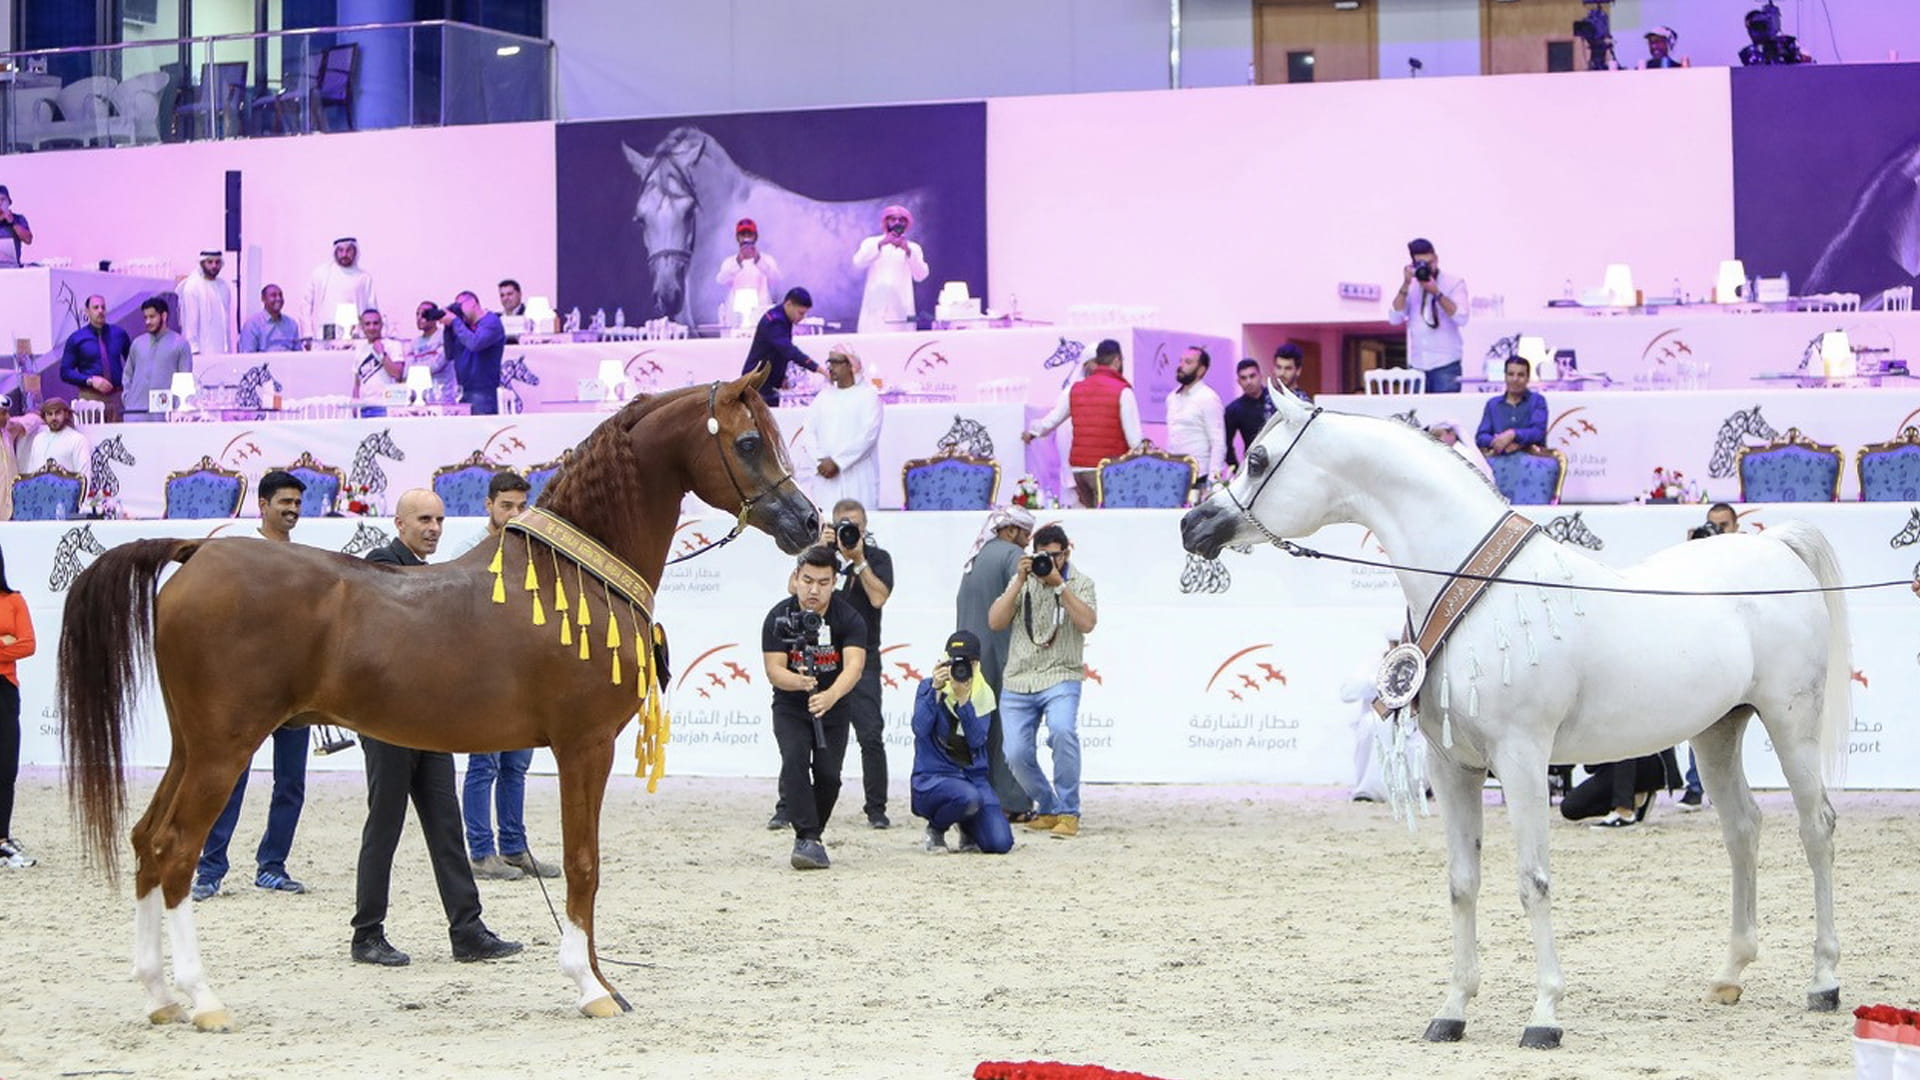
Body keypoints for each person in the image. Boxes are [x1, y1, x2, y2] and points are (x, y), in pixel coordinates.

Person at [352, 489, 522, 967]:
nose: (433, 529)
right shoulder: (382, 565)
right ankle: (366, 934)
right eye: (424, 519)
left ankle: (467, 929)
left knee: (447, 827)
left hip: (428, 722)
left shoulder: (430, 573)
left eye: (440, 520)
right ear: (400, 523)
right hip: (386, 722)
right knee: (384, 825)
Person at [192, 471, 314, 901]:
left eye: (297, 503)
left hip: (296, 689)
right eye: (285, 502)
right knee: (232, 776)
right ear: (263, 505)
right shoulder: (242, 559)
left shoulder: (304, 561)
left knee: (291, 782)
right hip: (250, 691)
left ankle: (272, 865)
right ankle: (211, 868)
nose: (293, 510)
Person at [769, 501, 893, 830]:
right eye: (841, 527)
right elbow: (793, 590)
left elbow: (879, 598)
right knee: (796, 741)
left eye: (855, 528)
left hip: (860, 653)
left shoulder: (877, 558)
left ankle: (876, 808)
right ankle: (787, 807)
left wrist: (859, 561)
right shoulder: (820, 559)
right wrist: (820, 548)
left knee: (870, 732)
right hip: (811, 649)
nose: (848, 533)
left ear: (865, 528)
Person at [462, 472, 560, 881]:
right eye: (507, 506)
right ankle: (481, 851)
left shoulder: (531, 551)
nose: (515, 514)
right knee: (484, 765)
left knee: (516, 766)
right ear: (489, 505)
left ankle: (514, 847)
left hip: (522, 674)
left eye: (522, 506)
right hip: (484, 674)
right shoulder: (469, 551)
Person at [761, 545, 868, 870]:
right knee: (794, 760)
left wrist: (830, 695)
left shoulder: (848, 617)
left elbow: (854, 666)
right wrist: (800, 682)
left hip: (833, 706)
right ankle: (806, 837)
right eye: (807, 580)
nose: (813, 590)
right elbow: (774, 670)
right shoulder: (778, 616)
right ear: (796, 578)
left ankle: (812, 837)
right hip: (790, 705)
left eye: (823, 582)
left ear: (834, 582)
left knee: (829, 775)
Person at [988, 523, 1098, 838]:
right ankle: (1049, 807)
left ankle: (1069, 811)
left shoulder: (1081, 582)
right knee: (1015, 753)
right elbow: (995, 621)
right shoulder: (1022, 581)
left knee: (1062, 732)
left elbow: (1087, 623)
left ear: (1067, 553)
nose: (1050, 563)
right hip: (1019, 678)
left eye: (1056, 556)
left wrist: (1060, 585)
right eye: (1043, 557)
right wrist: (1019, 581)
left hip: (1062, 674)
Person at [954, 507, 1036, 820]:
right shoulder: (1013, 556)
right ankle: (1013, 803)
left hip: (969, 658)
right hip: (1002, 655)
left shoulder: (975, 557)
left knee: (977, 731)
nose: (1027, 541)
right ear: (1011, 530)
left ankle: (978, 798)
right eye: (1025, 534)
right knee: (1010, 729)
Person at [911, 631, 1015, 856]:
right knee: (967, 797)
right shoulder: (928, 687)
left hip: (973, 778)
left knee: (1000, 843)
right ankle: (936, 829)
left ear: (976, 664)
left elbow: (977, 740)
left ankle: (968, 824)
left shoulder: (983, 695)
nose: (960, 669)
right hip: (934, 777)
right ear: (945, 660)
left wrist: (964, 701)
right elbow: (920, 729)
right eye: (954, 662)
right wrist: (936, 691)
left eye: (966, 663)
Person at [1022, 339, 1143, 508]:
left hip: (1079, 470)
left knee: (1090, 515)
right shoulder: (1123, 391)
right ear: (1117, 360)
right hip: (1108, 469)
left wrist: (1033, 433)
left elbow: (1052, 419)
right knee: (1110, 518)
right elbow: (1134, 441)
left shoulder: (1075, 389)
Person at [803, 346, 883, 510]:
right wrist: (820, 461)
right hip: (825, 477)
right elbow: (808, 432)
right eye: (829, 362)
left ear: (850, 365)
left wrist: (838, 462)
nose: (830, 367)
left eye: (836, 362)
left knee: (858, 521)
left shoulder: (868, 396)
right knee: (826, 522)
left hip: (857, 476)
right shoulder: (823, 397)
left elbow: (868, 436)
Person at [1387, 238, 1470, 393]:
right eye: (1421, 264)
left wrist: (1436, 293)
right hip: (1417, 365)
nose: (1427, 268)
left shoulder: (1454, 283)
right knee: (1416, 409)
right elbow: (1394, 318)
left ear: (1436, 259)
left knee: (1445, 408)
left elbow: (1462, 317)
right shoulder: (1411, 285)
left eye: (1430, 263)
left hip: (1446, 364)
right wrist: (1405, 284)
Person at [0, 545, 36, 867]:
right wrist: (4, 642)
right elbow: (15, 644)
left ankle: (2, 838)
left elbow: (28, 644)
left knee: (6, 766)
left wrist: (13, 644)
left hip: (5, 690)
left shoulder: (14, 601)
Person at [852, 204, 929, 333]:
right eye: (893, 219)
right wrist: (882, 243)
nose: (897, 223)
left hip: (901, 310)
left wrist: (908, 251)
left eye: (901, 220)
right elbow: (858, 262)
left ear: (906, 224)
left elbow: (921, 275)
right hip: (875, 309)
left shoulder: (913, 248)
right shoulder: (872, 243)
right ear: (886, 221)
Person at [741, 287, 821, 407]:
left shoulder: (783, 318)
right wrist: (818, 368)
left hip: (766, 382)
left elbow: (777, 352)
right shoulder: (774, 322)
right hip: (757, 383)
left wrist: (781, 377)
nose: (802, 318)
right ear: (789, 304)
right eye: (800, 313)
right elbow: (789, 350)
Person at [1561, 750, 1682, 829]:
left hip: (1649, 759)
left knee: (1625, 738)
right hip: (1618, 765)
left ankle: (1624, 811)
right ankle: (1637, 798)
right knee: (1570, 807)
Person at [122, 296, 193, 422]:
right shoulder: (137, 343)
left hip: (165, 416)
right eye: (145, 317)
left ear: (164, 316)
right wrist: (128, 398)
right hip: (135, 413)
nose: (148, 322)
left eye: (152, 317)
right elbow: (127, 375)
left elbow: (185, 381)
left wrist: (178, 410)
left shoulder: (180, 344)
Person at [58, 294, 130, 418]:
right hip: (90, 398)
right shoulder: (76, 338)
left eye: (103, 307)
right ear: (87, 311)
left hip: (117, 397)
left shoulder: (119, 334)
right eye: (96, 307)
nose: (100, 311)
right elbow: (65, 372)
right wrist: (90, 380)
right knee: (91, 430)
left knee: (120, 430)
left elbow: (132, 362)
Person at [1164, 346, 1225, 490]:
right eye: (1180, 361)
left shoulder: (1208, 398)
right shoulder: (1172, 398)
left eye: (1188, 362)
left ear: (1201, 370)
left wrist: (1213, 481)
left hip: (1200, 477)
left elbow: (1218, 442)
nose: (1181, 366)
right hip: (1174, 476)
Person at [444, 291, 506, 415]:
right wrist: (448, 327)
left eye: (459, 305)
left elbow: (475, 343)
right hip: (463, 391)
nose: (458, 310)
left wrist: (455, 321)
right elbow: (449, 354)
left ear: (472, 303)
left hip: (483, 393)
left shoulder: (491, 322)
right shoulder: (462, 326)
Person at [304, 236, 379, 340]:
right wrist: (307, 333)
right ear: (335, 252)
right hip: (327, 332)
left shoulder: (364, 278)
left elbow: (372, 309)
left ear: (355, 251)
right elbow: (306, 305)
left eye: (349, 250)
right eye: (341, 250)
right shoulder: (321, 274)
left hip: (355, 334)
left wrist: (373, 336)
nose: (344, 254)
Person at [1475, 357, 1548, 456]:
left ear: (1528, 378)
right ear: (1505, 377)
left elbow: (1538, 433)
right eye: (1510, 374)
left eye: (1520, 375)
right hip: (1499, 458)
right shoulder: (1493, 404)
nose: (1515, 379)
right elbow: (1481, 437)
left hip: (1532, 460)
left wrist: (1513, 434)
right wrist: (1499, 441)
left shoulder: (1537, 401)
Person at [716, 218, 781, 318]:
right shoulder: (730, 262)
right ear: (737, 238)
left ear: (755, 237)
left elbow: (776, 279)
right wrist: (738, 262)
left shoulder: (767, 259)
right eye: (743, 234)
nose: (746, 238)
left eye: (749, 234)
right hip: (735, 315)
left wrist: (758, 260)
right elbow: (721, 281)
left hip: (760, 313)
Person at [1223, 358, 1277, 470]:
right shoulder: (1234, 409)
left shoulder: (1276, 399)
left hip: (1281, 458)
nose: (1248, 381)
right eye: (1243, 378)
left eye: (1252, 376)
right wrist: (1237, 470)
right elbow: (1226, 444)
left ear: (1260, 376)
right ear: (1238, 381)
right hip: (1255, 464)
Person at [177, 250, 233, 356]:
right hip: (201, 352)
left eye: (217, 262)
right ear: (202, 263)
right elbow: (190, 323)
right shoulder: (193, 287)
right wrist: (194, 350)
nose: (214, 266)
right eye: (210, 262)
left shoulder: (223, 286)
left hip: (223, 351)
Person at [19, 397, 89, 476]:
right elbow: (31, 473)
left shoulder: (78, 440)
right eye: (50, 414)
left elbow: (84, 476)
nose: (54, 418)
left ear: (66, 414)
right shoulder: (38, 439)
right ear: (44, 416)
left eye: (57, 413)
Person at [352, 309, 408, 405]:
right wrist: (354, 405)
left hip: (388, 405)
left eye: (375, 323)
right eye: (367, 324)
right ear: (362, 327)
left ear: (381, 325)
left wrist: (382, 354)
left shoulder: (393, 345)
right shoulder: (360, 349)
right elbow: (357, 384)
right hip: (364, 405)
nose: (372, 327)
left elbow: (397, 374)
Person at [410, 300, 459, 405]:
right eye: (417, 314)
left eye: (424, 314)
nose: (420, 318)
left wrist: (415, 370)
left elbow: (436, 365)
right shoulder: (414, 343)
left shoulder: (444, 336)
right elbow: (407, 371)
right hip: (421, 399)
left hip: (443, 397)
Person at [236, 284, 301, 353]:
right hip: (263, 360)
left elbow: (298, 353)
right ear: (263, 299)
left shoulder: (291, 324)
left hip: (289, 359)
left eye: (280, 295)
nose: (278, 299)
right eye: (273, 295)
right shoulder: (252, 324)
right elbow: (247, 355)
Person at [0, 186, 34, 269]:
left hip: (12, 268)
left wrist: (13, 222)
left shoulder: (18, 219)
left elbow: (28, 240)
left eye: (3, 199)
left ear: (9, 202)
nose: (0, 203)